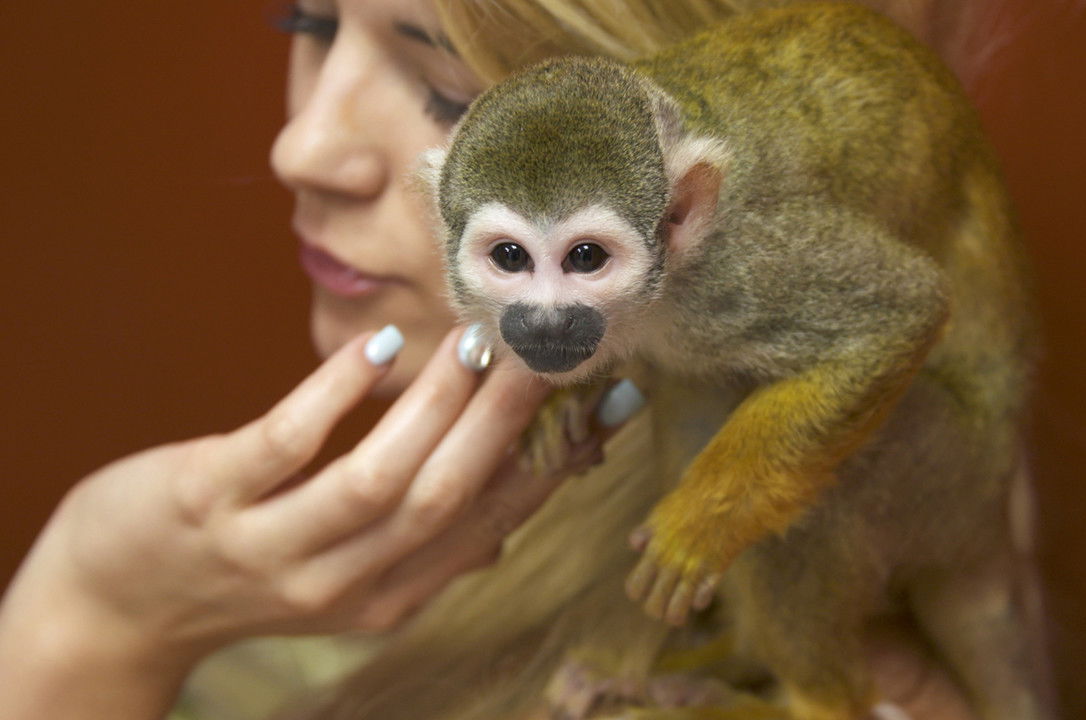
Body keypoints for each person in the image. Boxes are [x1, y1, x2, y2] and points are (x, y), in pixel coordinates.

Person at [0, 1, 1016, 718]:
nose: (300, 148)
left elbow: (889, 325)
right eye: (306, 24)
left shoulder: (743, 271)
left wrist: (93, 626)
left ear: (682, 212)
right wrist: (97, 603)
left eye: (446, 88)